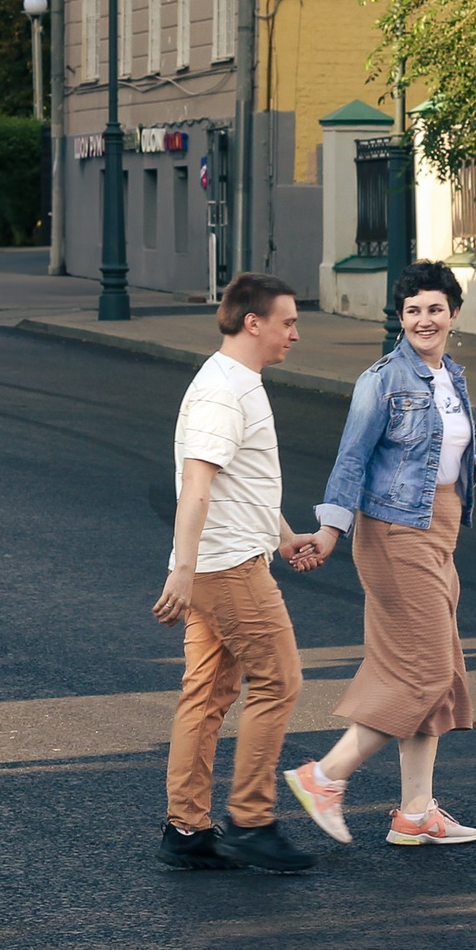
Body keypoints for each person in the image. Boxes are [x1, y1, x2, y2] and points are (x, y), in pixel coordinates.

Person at [285, 260, 476, 848]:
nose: (424, 320)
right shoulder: (383, 379)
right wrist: (330, 531)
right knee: (426, 670)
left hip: (440, 533)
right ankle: (324, 776)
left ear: (454, 314)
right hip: (394, 534)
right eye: (413, 311)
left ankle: (415, 812)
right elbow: (352, 458)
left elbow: (433, 457)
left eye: (435, 309)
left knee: (434, 669)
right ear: (401, 318)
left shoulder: (451, 377)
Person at [153, 271, 328, 874]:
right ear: (253, 323)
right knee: (280, 679)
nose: (295, 335)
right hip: (225, 567)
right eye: (288, 323)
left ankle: (187, 830)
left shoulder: (238, 382)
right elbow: (197, 486)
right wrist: (183, 569)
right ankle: (252, 821)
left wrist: (284, 536)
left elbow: (240, 484)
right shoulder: (224, 391)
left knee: (207, 693)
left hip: (224, 560)